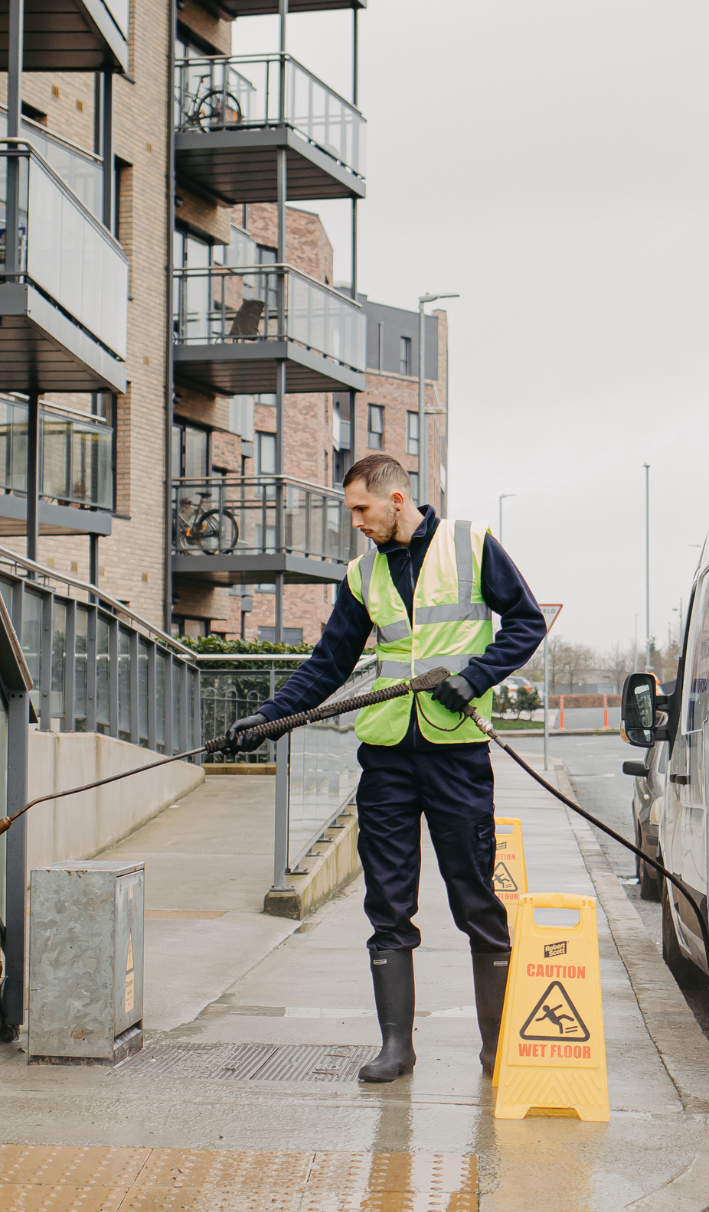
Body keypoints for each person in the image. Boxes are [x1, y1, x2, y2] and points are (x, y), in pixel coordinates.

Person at [227, 453, 546, 1082]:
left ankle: (495, 1050)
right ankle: (397, 1048)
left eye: (360, 510)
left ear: (396, 499)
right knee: (388, 904)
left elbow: (526, 624)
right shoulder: (361, 575)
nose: (356, 523)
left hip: (456, 753)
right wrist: (265, 718)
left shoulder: (471, 545)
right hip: (387, 761)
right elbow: (327, 664)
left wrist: (473, 676)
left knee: (475, 899)